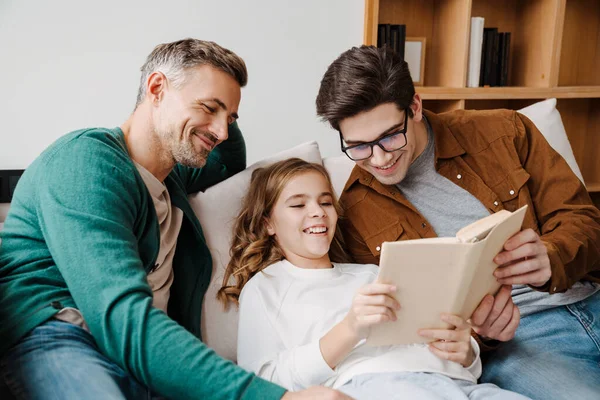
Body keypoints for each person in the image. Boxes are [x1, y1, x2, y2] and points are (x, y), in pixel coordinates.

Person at [0, 38, 347, 400]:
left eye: (229, 117)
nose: (221, 130)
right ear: (156, 88)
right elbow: (123, 320)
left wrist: (221, 102)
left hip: (143, 354)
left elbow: (230, 158)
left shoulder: (175, 177)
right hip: (64, 333)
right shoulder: (86, 162)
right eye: (208, 108)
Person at [314, 45, 600, 399]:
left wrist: (552, 256)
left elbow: (583, 219)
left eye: (390, 136)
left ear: (415, 107)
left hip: (586, 292)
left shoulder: (504, 131)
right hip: (521, 343)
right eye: (358, 146)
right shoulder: (353, 213)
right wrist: (482, 337)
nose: (379, 158)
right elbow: (400, 332)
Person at [219, 157, 530, 399]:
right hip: (377, 386)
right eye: (299, 204)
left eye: (325, 202)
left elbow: (452, 354)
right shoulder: (266, 287)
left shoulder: (372, 273)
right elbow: (262, 384)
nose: (317, 212)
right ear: (268, 223)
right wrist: (350, 329)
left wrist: (467, 353)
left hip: (456, 384)